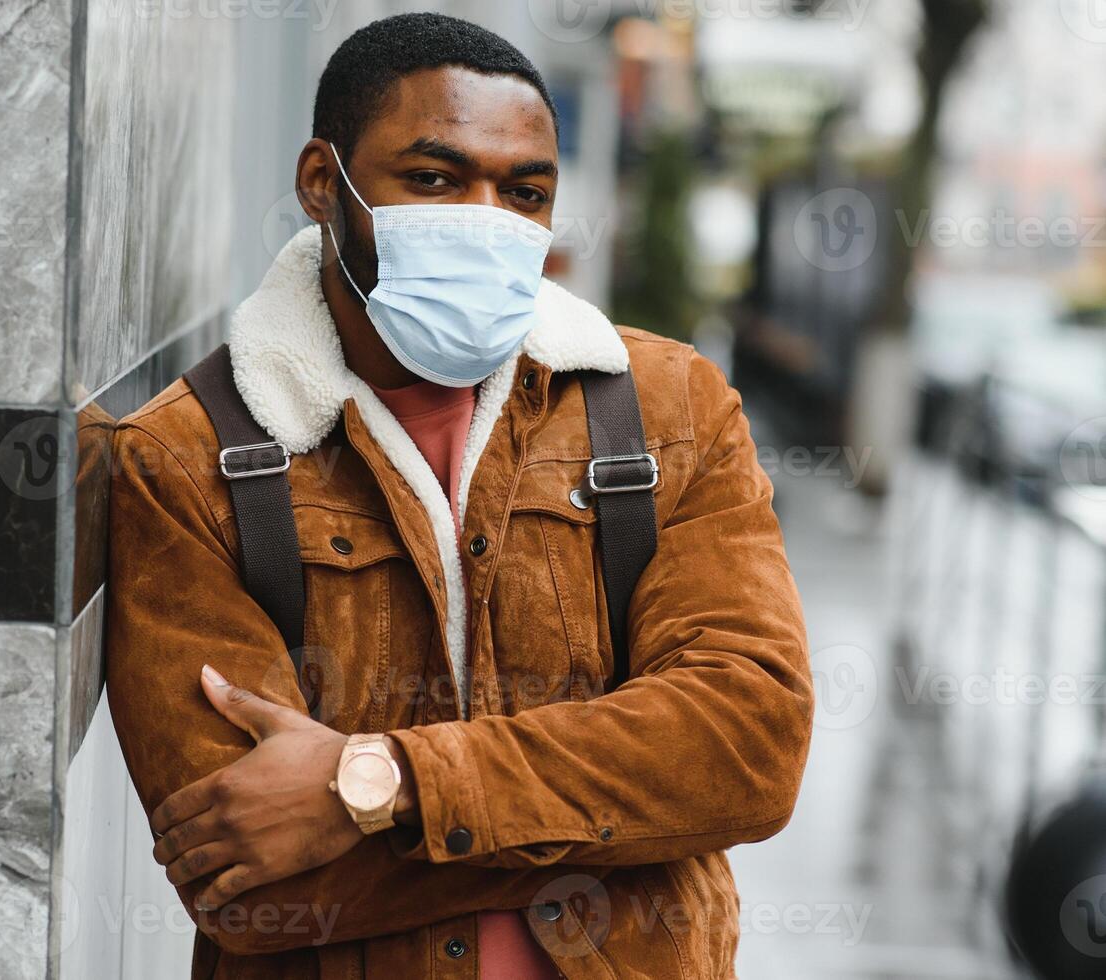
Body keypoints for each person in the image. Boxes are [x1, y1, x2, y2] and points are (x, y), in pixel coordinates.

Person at [106, 13, 812, 978]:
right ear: (324, 182)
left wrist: (381, 781)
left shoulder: (669, 411)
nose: (486, 219)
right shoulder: (186, 460)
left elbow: (747, 750)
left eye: (523, 193)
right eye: (434, 180)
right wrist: (629, 819)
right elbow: (253, 879)